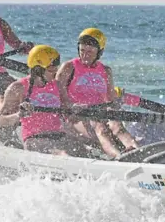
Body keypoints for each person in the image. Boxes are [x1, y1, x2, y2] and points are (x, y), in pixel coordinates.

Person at [56, 28, 140, 158]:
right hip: (75, 117)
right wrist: (71, 105)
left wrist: (117, 102)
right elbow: (55, 95)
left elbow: (110, 101)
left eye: (90, 51)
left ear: (99, 52)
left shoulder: (106, 71)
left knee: (117, 125)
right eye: (82, 50)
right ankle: (119, 157)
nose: (85, 55)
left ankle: (136, 149)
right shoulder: (68, 67)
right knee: (101, 128)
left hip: (100, 113)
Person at [0, 45, 89, 156]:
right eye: (51, 70)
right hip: (35, 139)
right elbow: (0, 121)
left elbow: (67, 107)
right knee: (63, 154)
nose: (55, 74)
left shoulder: (57, 85)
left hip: (59, 135)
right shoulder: (18, 88)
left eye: (56, 69)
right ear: (37, 69)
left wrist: (76, 108)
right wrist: (19, 115)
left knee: (85, 153)